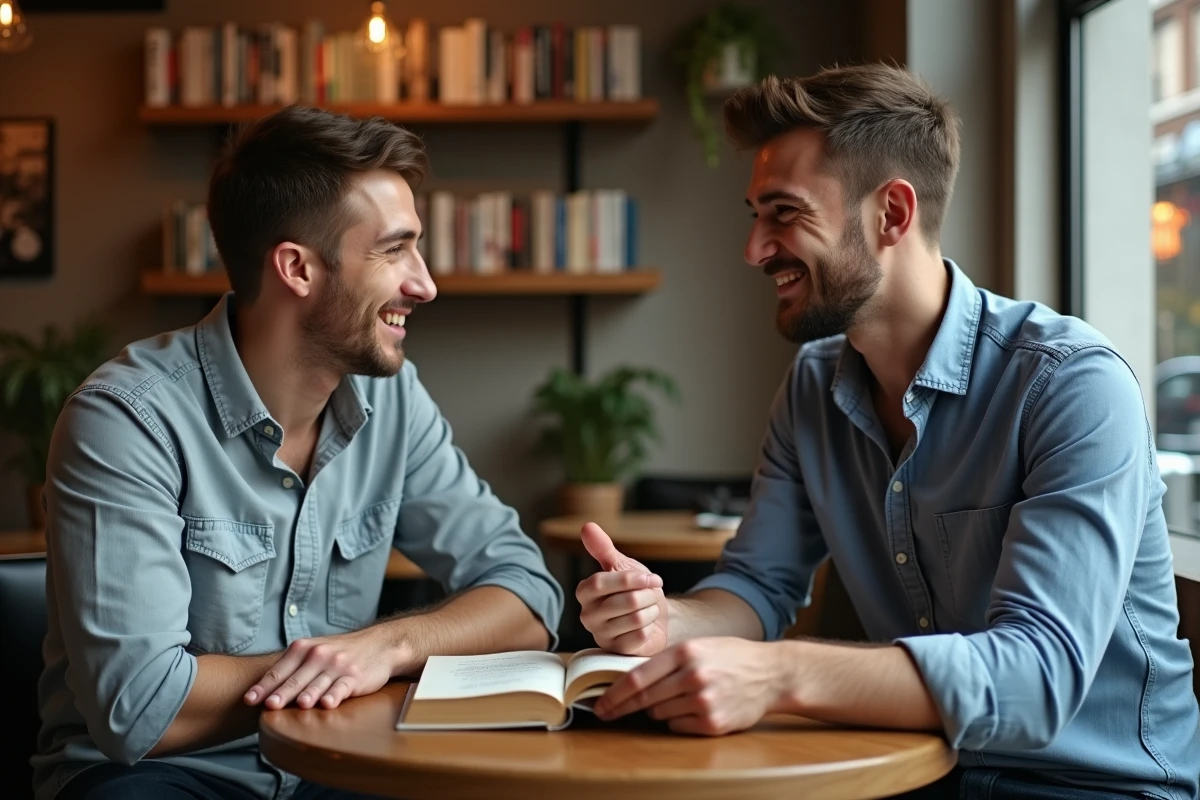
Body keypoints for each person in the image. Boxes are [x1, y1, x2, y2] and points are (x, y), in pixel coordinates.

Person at [576, 64, 1200, 799]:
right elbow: (756, 585)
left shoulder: (1070, 384)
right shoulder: (811, 387)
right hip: (916, 772)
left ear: (892, 215)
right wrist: (665, 619)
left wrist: (778, 673)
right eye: (755, 214)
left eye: (783, 212)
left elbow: (1036, 679)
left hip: (1099, 787)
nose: (754, 249)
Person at [33, 105, 563, 800]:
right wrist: (335, 669)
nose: (425, 283)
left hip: (338, 767)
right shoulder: (127, 419)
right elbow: (141, 708)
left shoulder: (394, 400)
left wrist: (386, 648)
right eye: (394, 249)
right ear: (297, 269)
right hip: (159, 777)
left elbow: (529, 595)